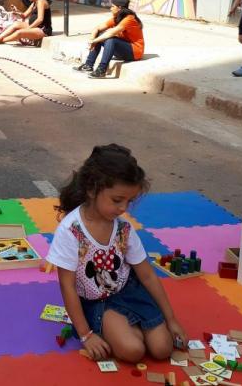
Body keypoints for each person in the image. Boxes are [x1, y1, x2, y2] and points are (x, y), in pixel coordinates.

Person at [46, 144, 187, 362]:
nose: (123, 208)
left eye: (129, 201)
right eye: (117, 200)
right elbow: (68, 286)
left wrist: (172, 319)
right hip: (96, 302)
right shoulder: (71, 230)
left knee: (162, 349)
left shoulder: (123, 228)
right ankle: (124, 329)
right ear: (92, 190)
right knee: (133, 351)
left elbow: (147, 275)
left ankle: (129, 327)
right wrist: (86, 335)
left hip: (128, 291)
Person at [73, 0, 143, 79]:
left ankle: (101, 70)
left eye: (113, 6)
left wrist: (94, 41)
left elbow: (110, 33)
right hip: (124, 49)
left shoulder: (129, 19)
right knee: (99, 35)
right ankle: (88, 65)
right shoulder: (117, 18)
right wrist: (92, 39)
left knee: (111, 40)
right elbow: (97, 28)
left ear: (119, 8)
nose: (110, 8)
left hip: (135, 52)